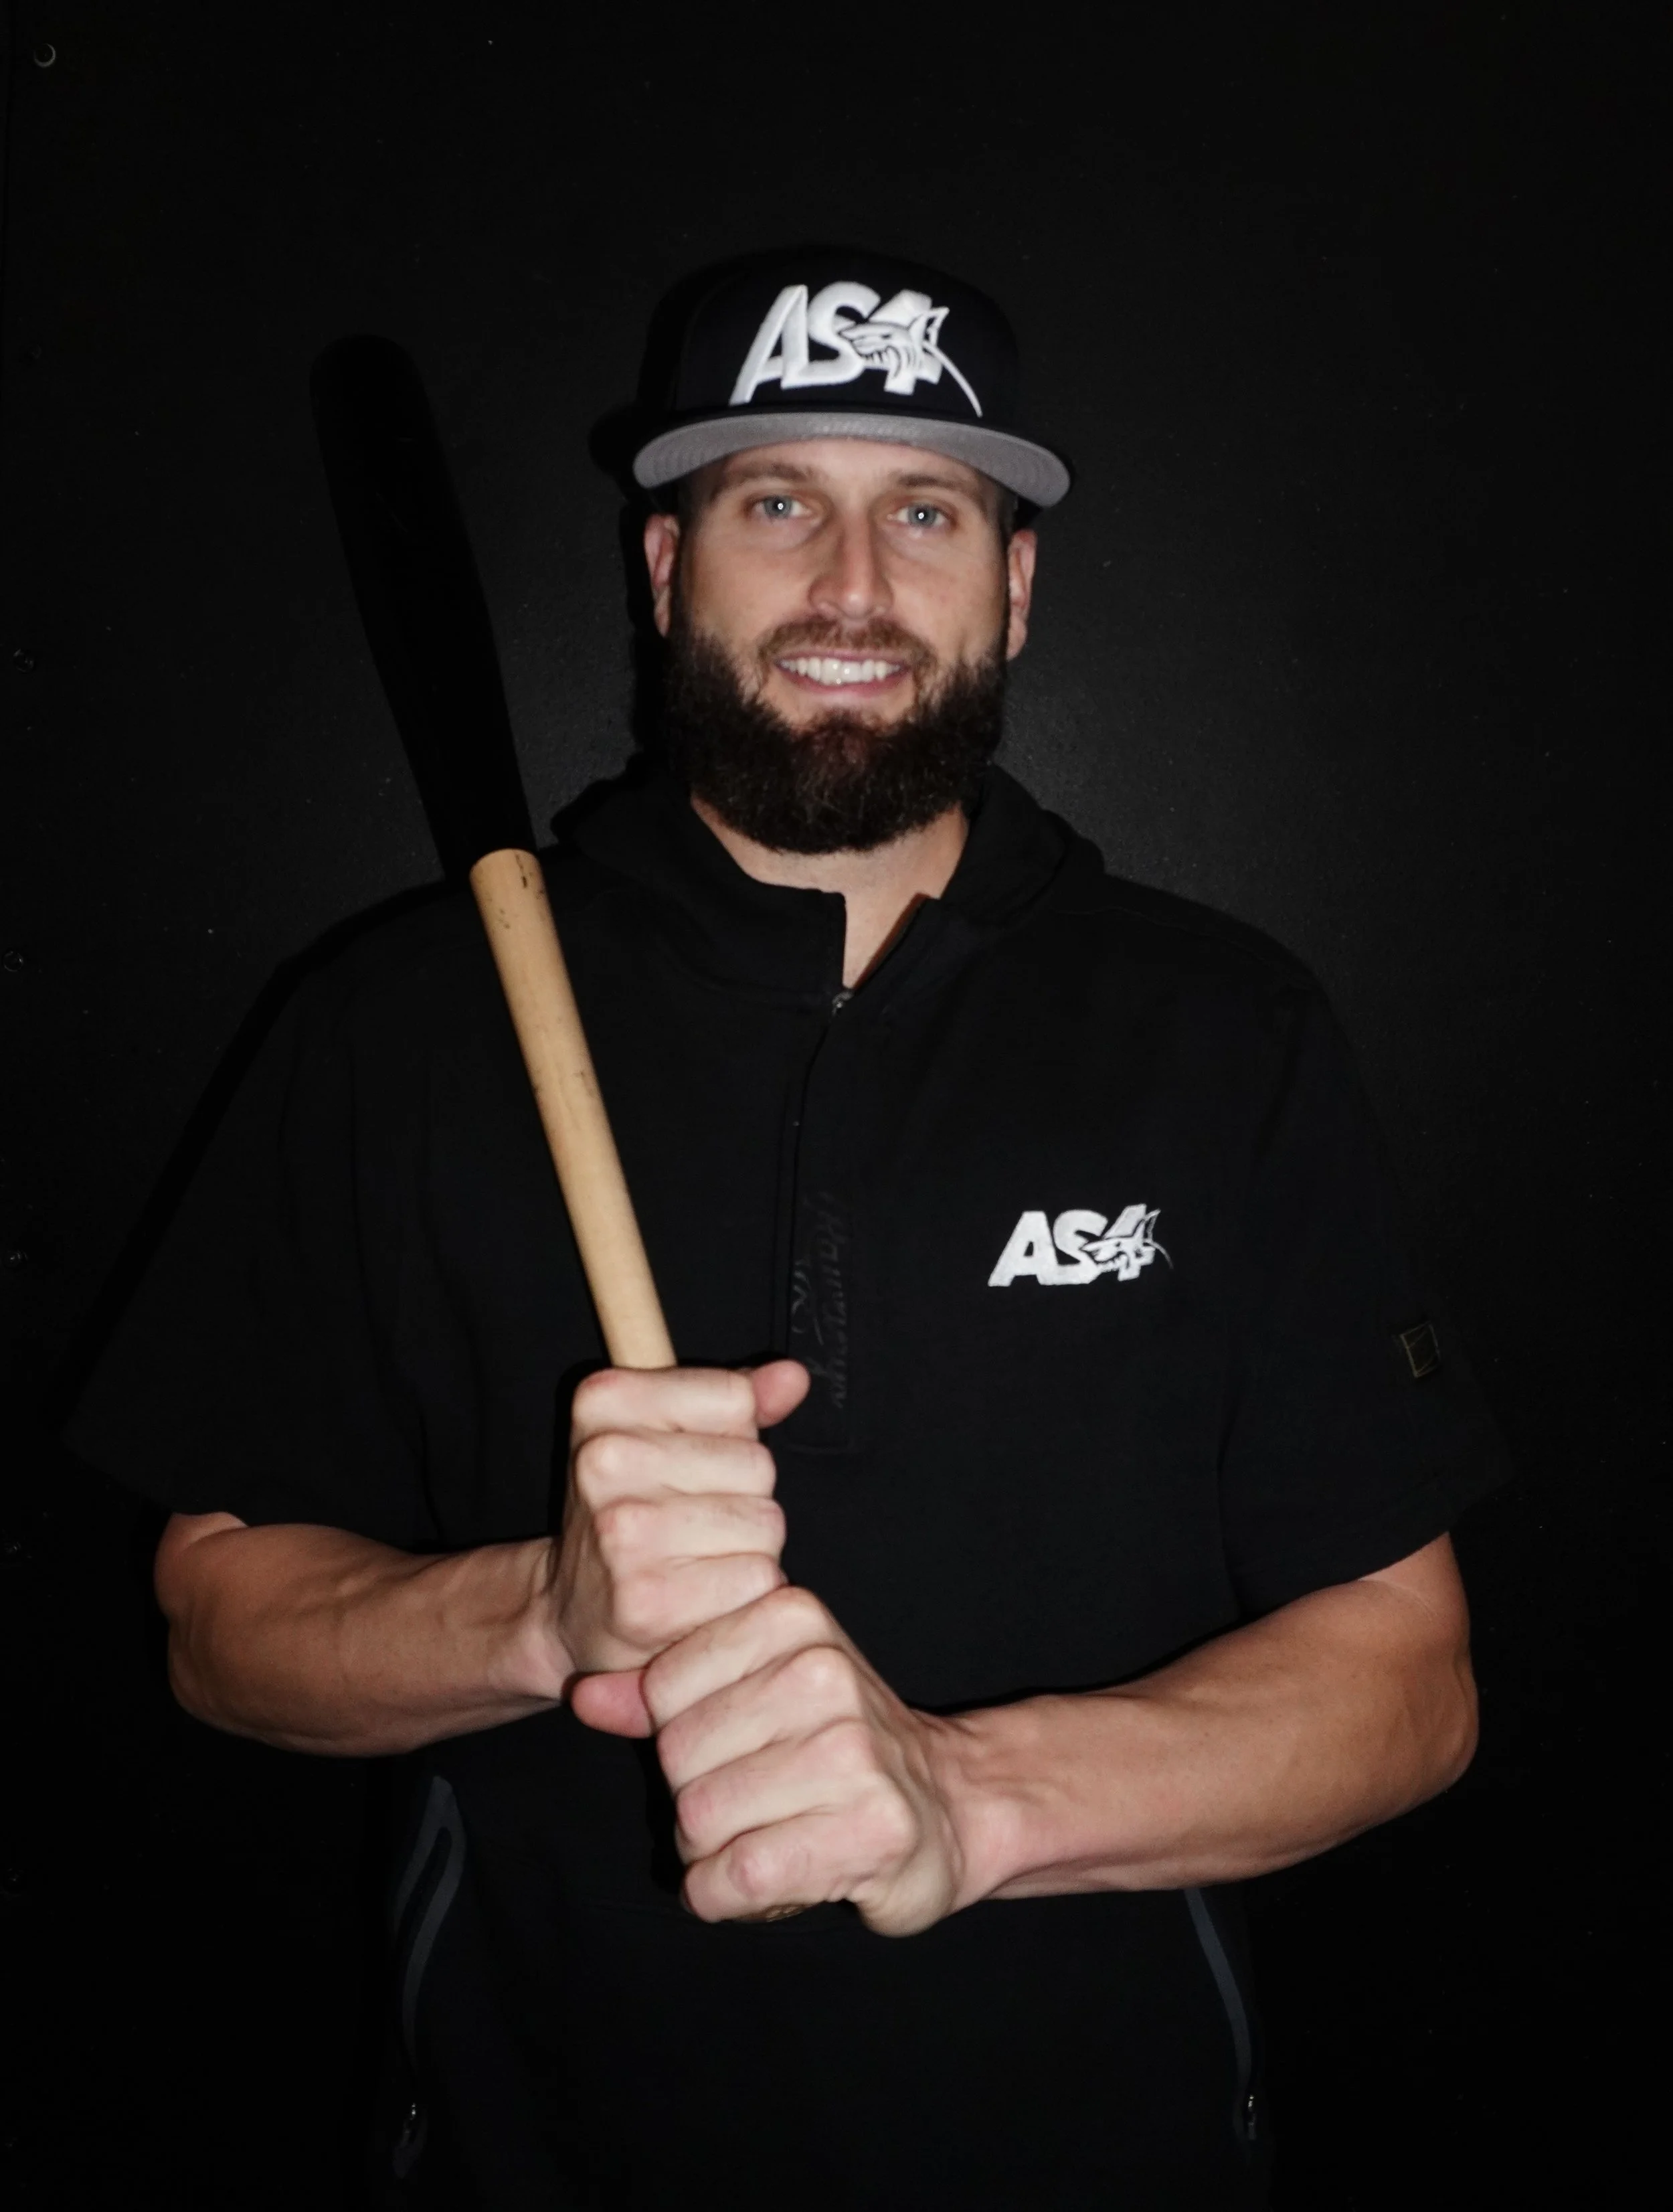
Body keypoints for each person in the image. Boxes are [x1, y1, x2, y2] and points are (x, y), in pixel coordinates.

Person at [70, 249, 1508, 2209]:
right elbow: (218, 1628)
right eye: (776, 504)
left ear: (1011, 584)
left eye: (923, 511)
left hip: (1102, 2145)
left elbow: (1405, 1683)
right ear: (666, 571)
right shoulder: (395, 1027)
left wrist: (963, 1798)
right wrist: (537, 1612)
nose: (849, 584)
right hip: (532, 2141)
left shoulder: (1218, 1030)